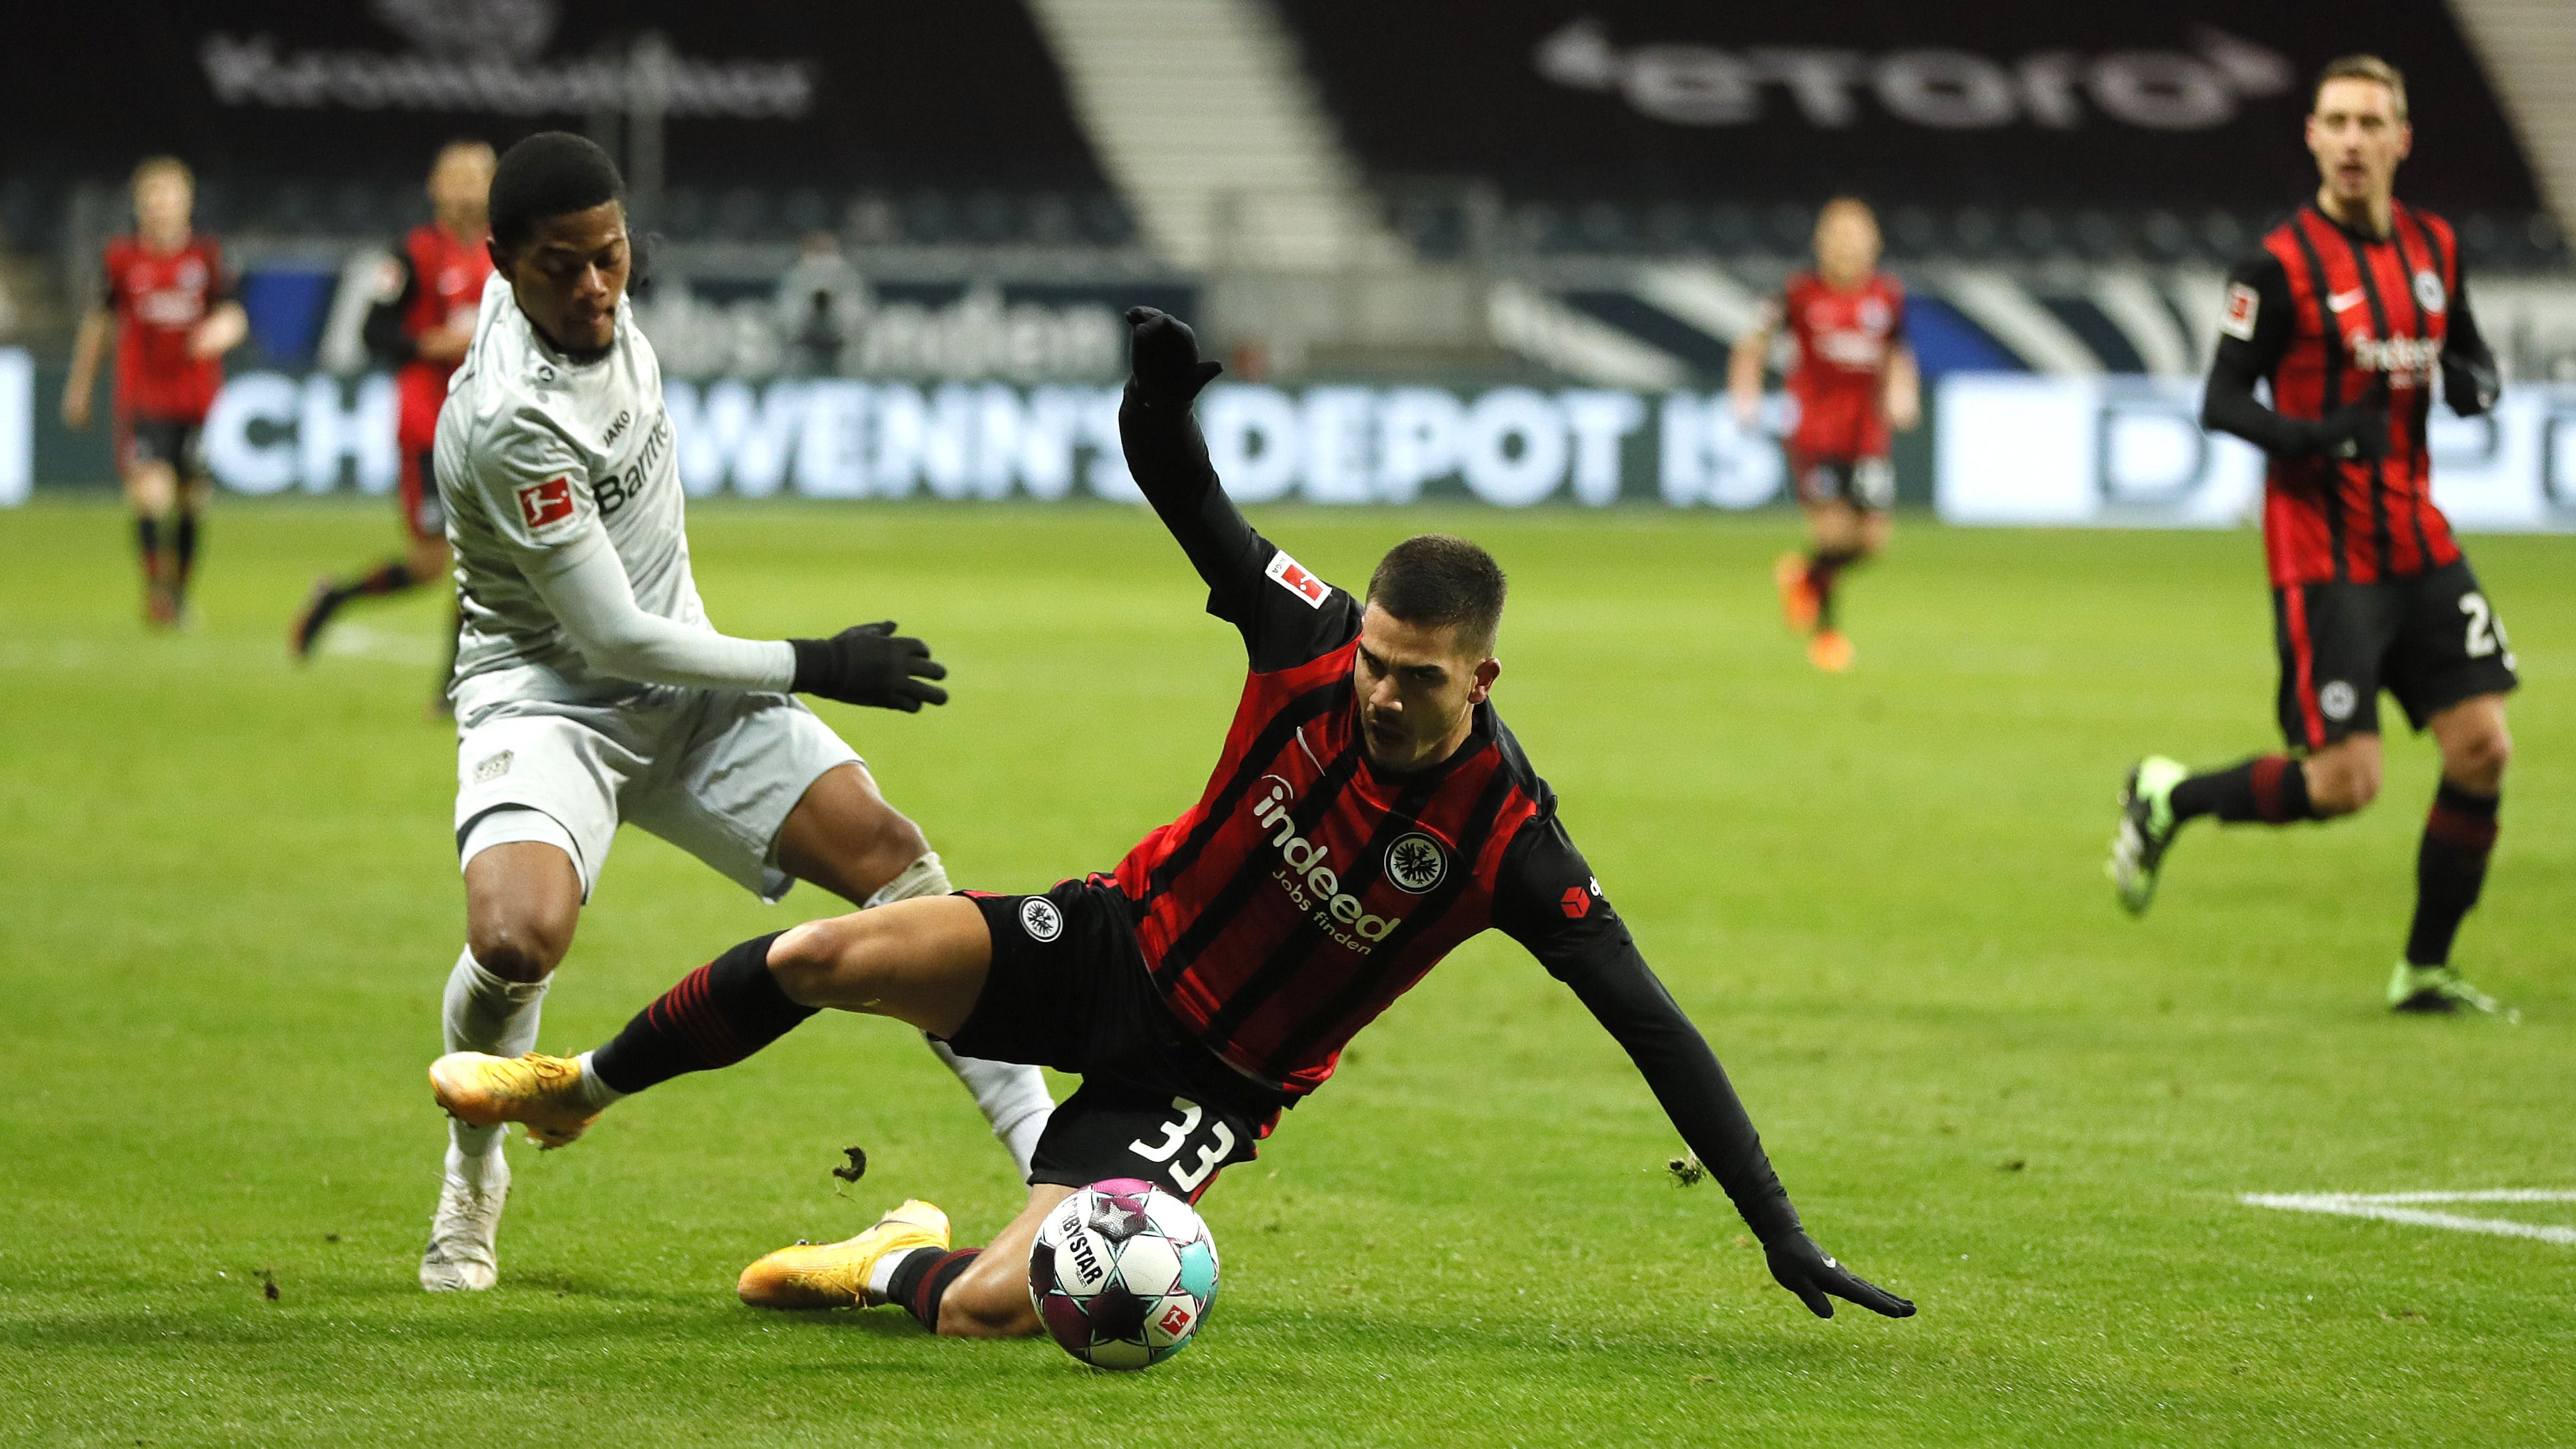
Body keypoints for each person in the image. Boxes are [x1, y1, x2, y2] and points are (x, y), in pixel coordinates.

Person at [429, 306, 1916, 1338]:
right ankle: (582, 1088)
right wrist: (1155, 407)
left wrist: (1775, 1223)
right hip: (1112, 941)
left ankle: (893, 1260)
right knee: (832, 949)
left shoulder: (1505, 841)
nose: (1379, 695)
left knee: (1008, 1309)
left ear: (1481, 675)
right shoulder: (1312, 641)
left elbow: (1652, 1023)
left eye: (1415, 679)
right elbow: (1193, 504)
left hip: (1208, 1079)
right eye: (1376, 665)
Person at [414, 131, 1052, 1292]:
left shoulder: (607, 311)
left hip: (691, 693)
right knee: (515, 942)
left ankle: (1051, 1169)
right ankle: (472, 1176)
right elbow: (608, 637)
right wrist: (814, 660)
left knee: (901, 872)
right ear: (503, 264)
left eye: (611, 257)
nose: (596, 287)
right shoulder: (510, 417)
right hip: (553, 703)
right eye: (563, 267)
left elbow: (653, 623)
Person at [2109, 56, 2515, 1016]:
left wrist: (2477, 384)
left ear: (2400, 140)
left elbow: (2470, 353)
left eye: (2370, 123)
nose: (2351, 140)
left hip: (2417, 539)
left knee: (2482, 747)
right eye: (2334, 121)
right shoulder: (2278, 264)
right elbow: (2218, 398)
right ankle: (2168, 794)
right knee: (2344, 782)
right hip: (2321, 555)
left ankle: (2422, 967)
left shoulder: (2434, 248)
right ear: (2311, 137)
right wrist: (2313, 436)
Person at [290, 140, 496, 712]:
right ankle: (337, 597)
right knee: (435, 563)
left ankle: (452, 687)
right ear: (434, 187)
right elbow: (373, 331)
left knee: (478, 554)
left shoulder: (508, 253)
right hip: (427, 425)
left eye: (477, 176)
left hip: (488, 423)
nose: (464, 187)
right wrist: (431, 343)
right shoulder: (410, 255)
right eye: (453, 176)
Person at [1728, 198, 1919, 673]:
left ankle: (1805, 575)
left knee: (1871, 541)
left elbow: (1898, 352)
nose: (1847, 245)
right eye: (1837, 235)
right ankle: (1828, 635)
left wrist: (1902, 393)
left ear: (1873, 243)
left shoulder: (1886, 297)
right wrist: (1745, 393)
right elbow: (1752, 342)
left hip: (1867, 435)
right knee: (1832, 530)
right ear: (1821, 243)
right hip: (1816, 432)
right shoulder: (1800, 293)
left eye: (1856, 235)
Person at [60, 157, 247, 627]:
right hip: (143, 398)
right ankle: (156, 596)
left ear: (186, 203)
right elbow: (100, 323)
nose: (161, 207)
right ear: (140, 206)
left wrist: (219, 332)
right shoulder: (121, 259)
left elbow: (233, 315)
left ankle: (179, 594)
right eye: (152, 198)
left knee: (190, 502)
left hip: (196, 399)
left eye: (170, 197)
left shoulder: (206, 256)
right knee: (151, 496)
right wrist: (80, 386)